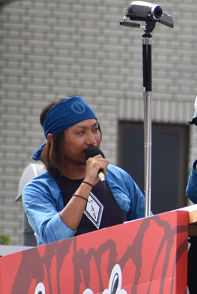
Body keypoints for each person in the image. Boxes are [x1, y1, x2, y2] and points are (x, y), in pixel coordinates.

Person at [23, 96, 146, 246]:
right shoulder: (38, 190)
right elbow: (53, 239)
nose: (92, 140)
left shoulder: (118, 177)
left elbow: (149, 229)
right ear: (53, 139)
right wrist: (87, 184)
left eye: (95, 129)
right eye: (81, 133)